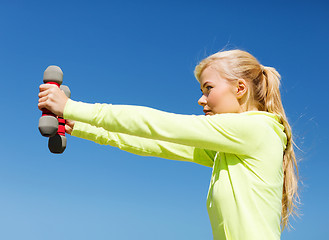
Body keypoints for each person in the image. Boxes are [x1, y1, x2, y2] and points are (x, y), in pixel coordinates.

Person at [38, 49, 299, 240]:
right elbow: (156, 142)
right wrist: (80, 126)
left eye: (208, 89)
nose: (201, 99)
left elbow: (159, 124)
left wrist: (71, 106)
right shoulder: (230, 147)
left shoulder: (257, 129)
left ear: (240, 88)